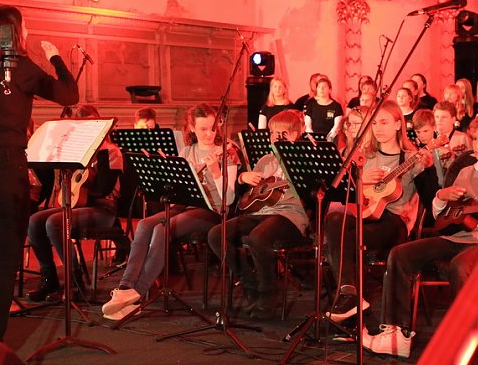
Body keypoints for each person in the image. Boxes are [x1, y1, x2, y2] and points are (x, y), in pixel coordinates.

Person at [0, 5, 79, 340]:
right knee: (6, 259)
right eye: (24, 27)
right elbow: (69, 95)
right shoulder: (18, 65)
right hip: (4, 167)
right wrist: (54, 57)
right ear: (13, 30)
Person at [362, 113, 478, 358]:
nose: (477, 145)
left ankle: (463, 337)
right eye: (475, 139)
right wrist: (441, 197)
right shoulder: (467, 172)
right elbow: (445, 218)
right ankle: (397, 334)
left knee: (461, 266)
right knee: (402, 253)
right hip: (458, 238)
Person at [101, 103, 238, 320]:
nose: (209, 134)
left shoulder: (227, 153)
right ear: (192, 128)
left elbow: (228, 200)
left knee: (162, 229)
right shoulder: (187, 152)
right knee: (146, 224)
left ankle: (139, 293)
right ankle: (126, 287)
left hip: (210, 211)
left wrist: (215, 171)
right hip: (184, 207)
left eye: (213, 128)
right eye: (203, 129)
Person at [324, 101, 429, 323]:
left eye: (384, 122)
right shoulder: (365, 155)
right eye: (374, 123)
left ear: (399, 125)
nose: (378, 128)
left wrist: (427, 169)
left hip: (395, 222)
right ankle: (350, 293)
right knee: (335, 220)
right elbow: (346, 196)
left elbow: (431, 196)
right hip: (366, 215)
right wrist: (360, 184)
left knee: (344, 240)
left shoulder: (411, 157)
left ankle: (349, 303)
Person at [207, 110, 310, 320]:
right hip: (263, 212)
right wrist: (244, 177)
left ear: (295, 134)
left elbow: (311, 192)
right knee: (217, 234)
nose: (275, 137)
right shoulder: (265, 159)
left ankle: (268, 294)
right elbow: (250, 198)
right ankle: (249, 284)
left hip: (290, 215)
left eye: (282, 133)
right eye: (272, 133)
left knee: (258, 237)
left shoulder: (303, 159)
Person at [26, 105, 130, 302]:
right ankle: (49, 279)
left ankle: (75, 281)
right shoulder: (76, 151)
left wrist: (94, 162)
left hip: (103, 209)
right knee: (34, 221)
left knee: (54, 222)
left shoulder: (111, 152)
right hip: (77, 206)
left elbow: (105, 189)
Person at [304, 76, 344, 141]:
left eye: (324, 87)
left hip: (331, 139)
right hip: (313, 138)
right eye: (319, 87)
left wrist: (329, 139)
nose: (321, 89)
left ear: (330, 89)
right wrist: (312, 137)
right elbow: (307, 124)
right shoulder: (310, 104)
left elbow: (336, 126)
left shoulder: (336, 106)